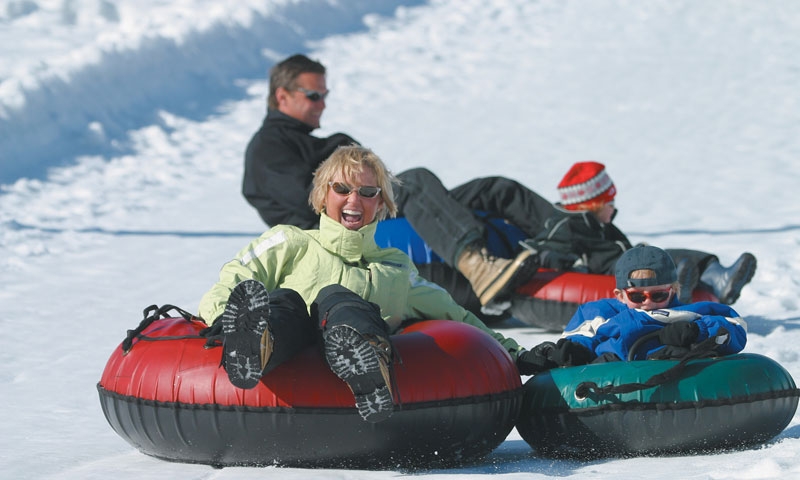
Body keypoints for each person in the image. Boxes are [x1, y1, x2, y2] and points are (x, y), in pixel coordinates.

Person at [199, 145, 543, 424]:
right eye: (342, 189)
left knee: (340, 301)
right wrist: (220, 320)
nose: (354, 200)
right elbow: (235, 279)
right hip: (289, 345)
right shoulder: (292, 242)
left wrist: (514, 353)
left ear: (381, 204)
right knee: (287, 301)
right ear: (322, 196)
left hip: (350, 356)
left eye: (367, 192)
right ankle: (255, 343)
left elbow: (455, 314)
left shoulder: (394, 267)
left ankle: (366, 365)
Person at [242, 53, 556, 306]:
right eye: (313, 95)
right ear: (282, 96)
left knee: (495, 190)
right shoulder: (268, 149)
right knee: (416, 182)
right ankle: (476, 264)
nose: (322, 103)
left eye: (325, 95)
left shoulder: (306, 142)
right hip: (341, 243)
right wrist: (342, 151)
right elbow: (318, 201)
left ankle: (573, 238)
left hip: (369, 217)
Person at [521, 161, 757, 305]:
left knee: (666, 255)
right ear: (593, 204)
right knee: (659, 260)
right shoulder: (565, 226)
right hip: (613, 272)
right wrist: (574, 264)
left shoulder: (602, 224)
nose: (614, 207)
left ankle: (716, 277)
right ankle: (680, 285)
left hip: (623, 263)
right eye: (609, 202)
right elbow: (545, 248)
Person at [519, 245, 748, 373]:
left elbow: (734, 328)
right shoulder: (601, 313)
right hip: (613, 373)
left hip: (669, 369)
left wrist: (696, 331)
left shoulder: (692, 313)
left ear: (674, 291)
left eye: (658, 295)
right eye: (637, 296)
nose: (647, 302)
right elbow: (579, 336)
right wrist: (575, 352)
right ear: (620, 295)